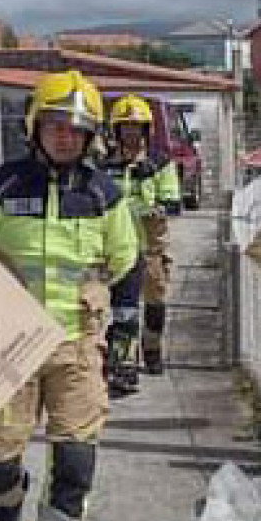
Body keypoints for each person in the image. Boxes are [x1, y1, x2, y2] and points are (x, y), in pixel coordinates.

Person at [0, 70, 138, 521]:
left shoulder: (104, 195)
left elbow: (127, 263)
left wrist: (126, 329)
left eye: (77, 129)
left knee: (77, 463)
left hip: (77, 347)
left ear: (91, 138)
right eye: (55, 125)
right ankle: (8, 498)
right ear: (35, 128)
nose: (65, 136)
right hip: (6, 346)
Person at [103, 94, 181, 395]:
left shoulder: (159, 164)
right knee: (123, 311)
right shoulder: (104, 165)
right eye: (125, 127)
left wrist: (151, 208)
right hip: (116, 250)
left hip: (150, 248)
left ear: (147, 130)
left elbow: (172, 203)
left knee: (154, 305)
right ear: (116, 131)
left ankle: (152, 350)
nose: (131, 133)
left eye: (137, 127)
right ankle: (122, 361)